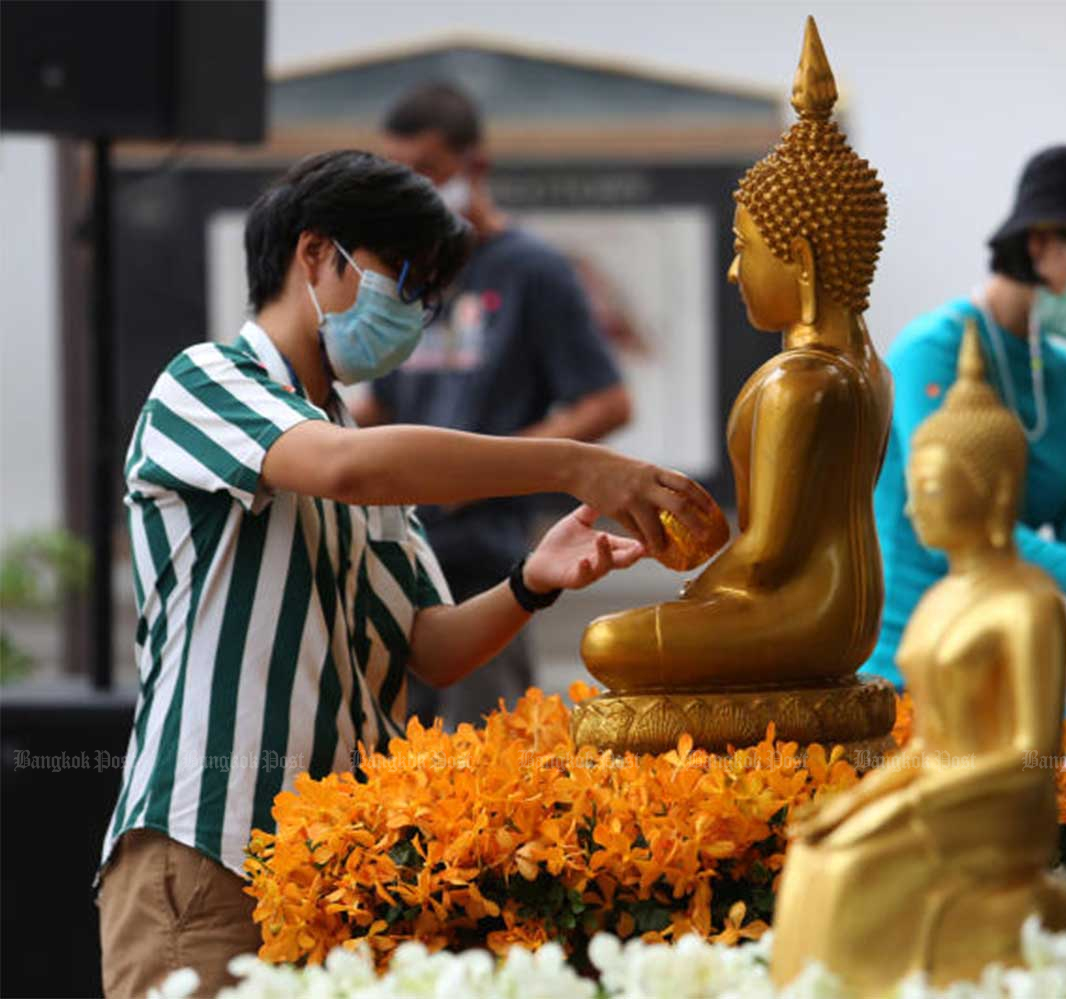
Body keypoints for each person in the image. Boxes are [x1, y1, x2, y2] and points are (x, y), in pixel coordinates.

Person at [96, 149, 713, 999]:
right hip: (212, 852)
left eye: (428, 297)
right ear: (317, 255)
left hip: (334, 877)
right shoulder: (205, 382)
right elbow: (348, 469)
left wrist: (533, 581)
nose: (415, 315)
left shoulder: (354, 438)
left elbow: (431, 646)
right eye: (401, 280)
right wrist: (573, 463)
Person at [353, 82, 632, 725]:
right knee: (386, 765)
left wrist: (487, 470)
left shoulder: (534, 270)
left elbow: (606, 401)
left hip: (486, 559)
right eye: (393, 173)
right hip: (394, 552)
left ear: (474, 165)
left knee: (484, 758)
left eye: (424, 171)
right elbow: (381, 406)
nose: (407, 188)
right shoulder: (407, 272)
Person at [863, 145, 1066, 689]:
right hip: (907, 669)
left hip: (1007, 670)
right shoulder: (930, 353)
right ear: (1041, 242)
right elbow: (963, 524)